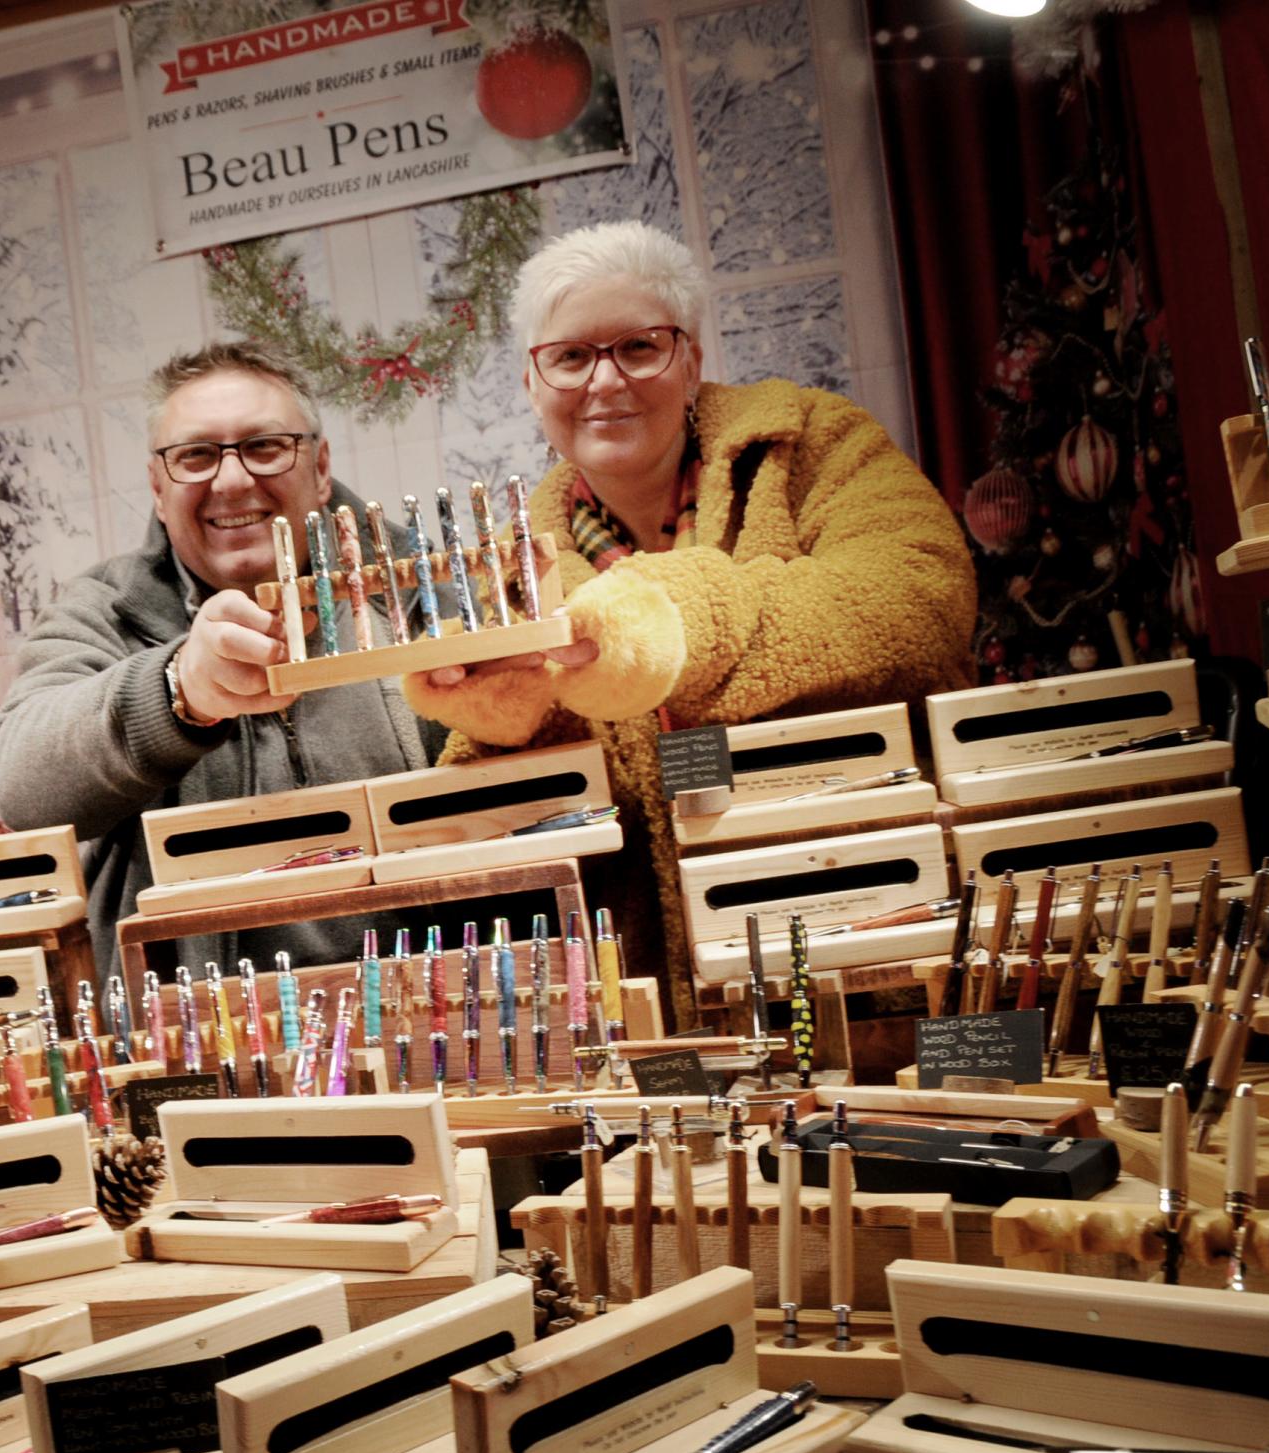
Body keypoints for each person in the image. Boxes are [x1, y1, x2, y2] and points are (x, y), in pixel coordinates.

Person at [407, 220, 977, 1023]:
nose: (604, 381)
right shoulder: (513, 567)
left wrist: (672, 620)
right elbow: (523, 820)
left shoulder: (814, 447)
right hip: (659, 1012)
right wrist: (494, 710)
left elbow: (918, 597)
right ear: (533, 383)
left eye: (638, 347)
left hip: (867, 951)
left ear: (692, 359)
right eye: (570, 357)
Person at [0, 343, 443, 980]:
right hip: (197, 1043)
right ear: (156, 486)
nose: (231, 481)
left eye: (265, 446)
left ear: (320, 466)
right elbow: (22, 783)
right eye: (195, 455)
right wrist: (177, 691)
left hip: (439, 1015)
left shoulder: (427, 592)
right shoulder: (105, 612)